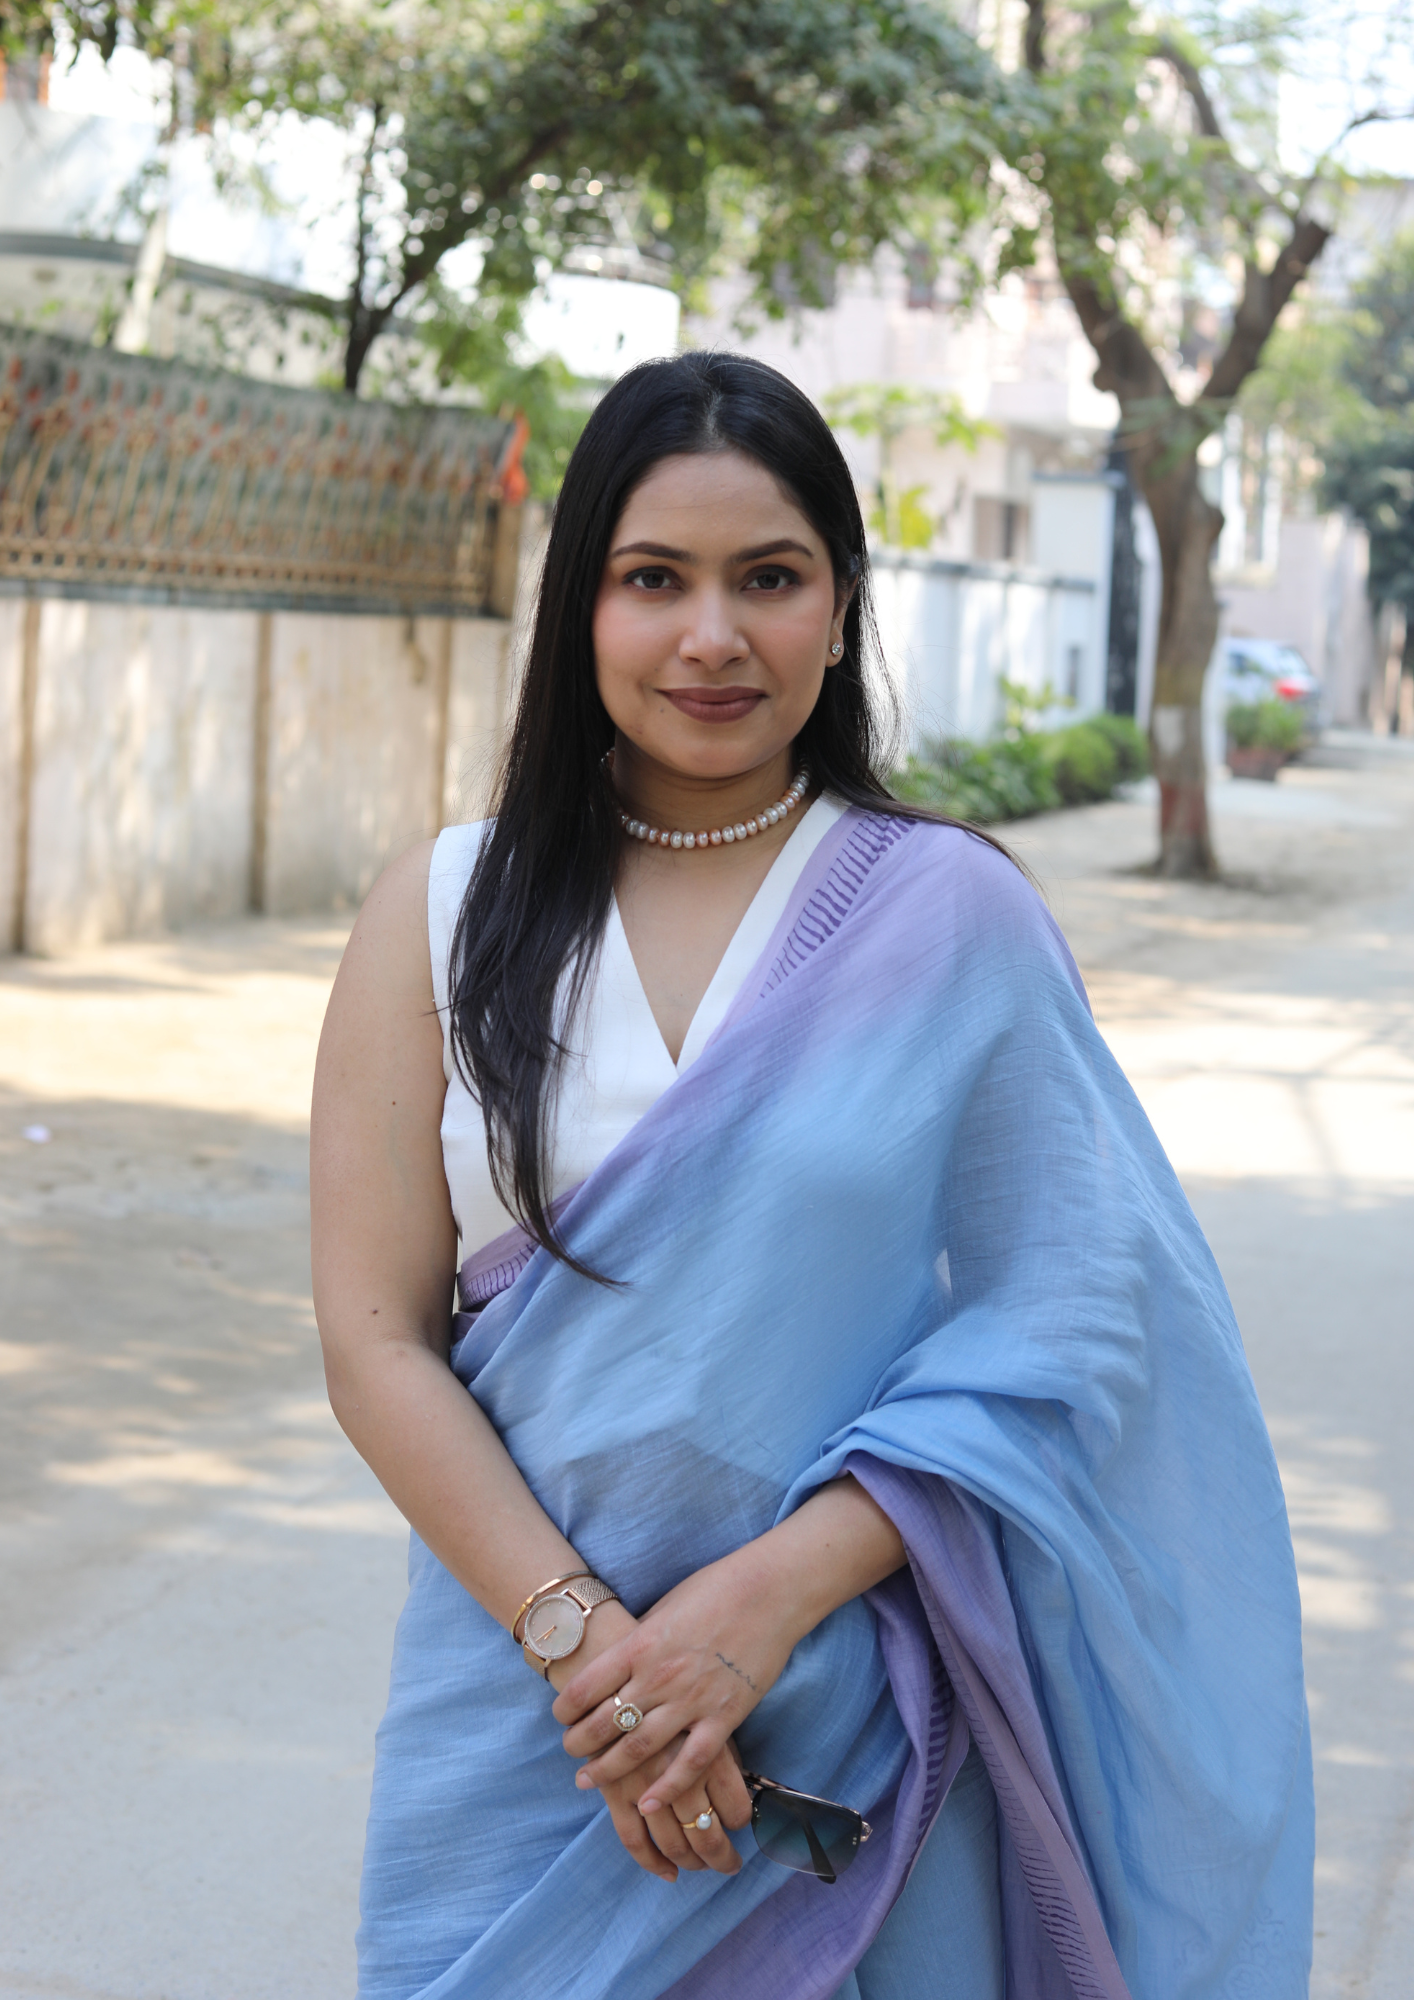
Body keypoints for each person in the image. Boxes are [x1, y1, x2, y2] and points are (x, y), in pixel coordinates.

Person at [310, 351, 1313, 2000]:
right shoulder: (441, 913)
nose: (712, 636)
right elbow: (374, 1340)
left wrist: (762, 1606)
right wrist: (597, 1656)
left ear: (839, 609)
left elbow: (1071, 1319)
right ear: (579, 607)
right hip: (524, 1724)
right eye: (654, 579)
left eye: (767, 579)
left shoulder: (947, 920)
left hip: (844, 1717)